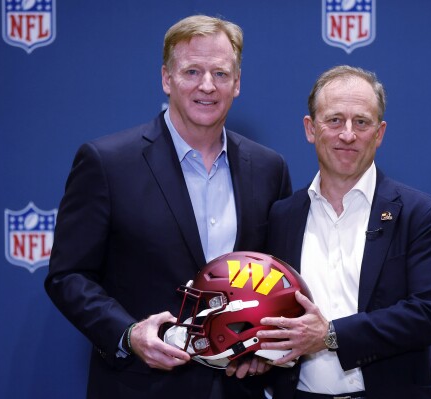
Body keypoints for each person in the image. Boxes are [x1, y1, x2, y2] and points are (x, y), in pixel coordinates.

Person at [44, 15, 291, 399]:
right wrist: (128, 334)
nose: (207, 85)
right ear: (166, 78)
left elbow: (275, 280)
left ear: (237, 83)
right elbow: (68, 275)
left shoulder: (268, 168)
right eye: (192, 71)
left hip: (238, 388)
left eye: (221, 74)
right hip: (141, 386)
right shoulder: (107, 163)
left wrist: (264, 348)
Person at [256, 65, 431, 398]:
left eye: (361, 122)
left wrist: (331, 334)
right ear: (310, 128)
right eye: (334, 120)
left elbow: (430, 314)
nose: (347, 134)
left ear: (379, 134)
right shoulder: (282, 216)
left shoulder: (420, 214)